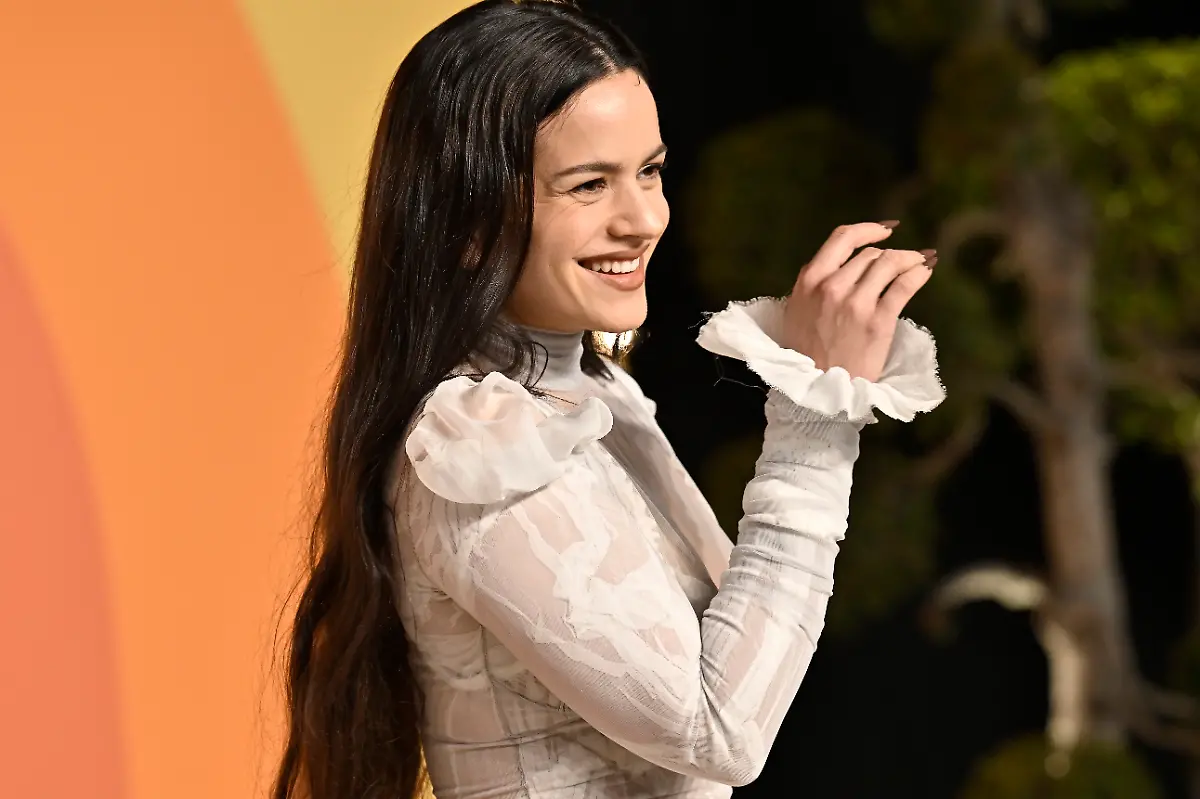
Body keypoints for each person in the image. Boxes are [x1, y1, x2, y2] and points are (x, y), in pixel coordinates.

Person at [272, 1, 945, 798]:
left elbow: (738, 663)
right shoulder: (478, 451)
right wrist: (813, 418)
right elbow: (721, 730)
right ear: (468, 218)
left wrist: (815, 391)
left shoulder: (593, 397)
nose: (644, 220)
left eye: (650, 170)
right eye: (589, 184)